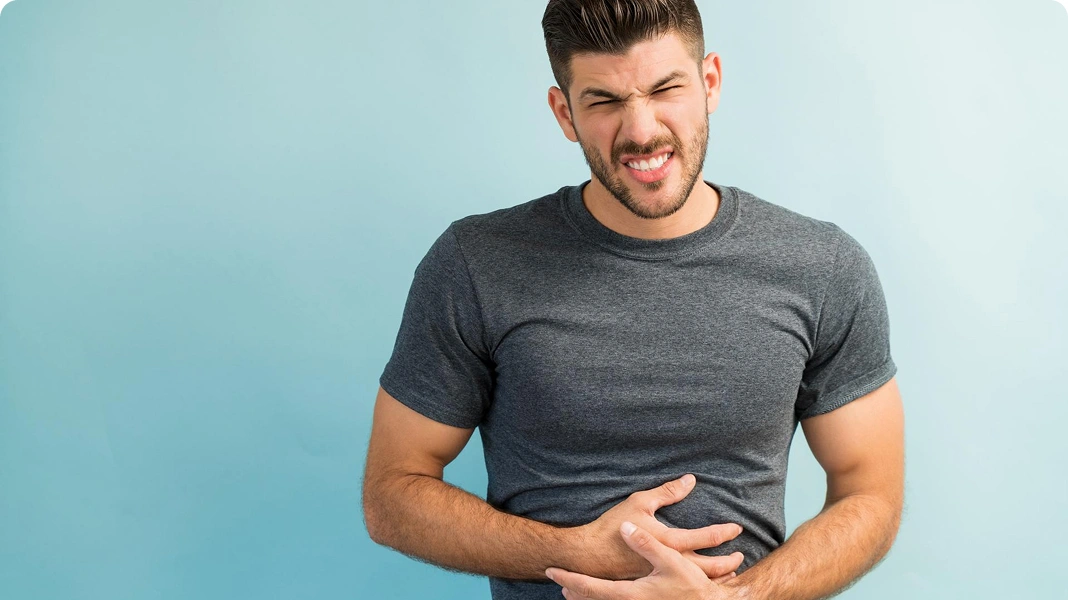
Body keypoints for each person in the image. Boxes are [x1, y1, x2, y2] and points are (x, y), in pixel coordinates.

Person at [362, 1, 905, 599]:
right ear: (564, 113)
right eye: (605, 101)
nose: (642, 130)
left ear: (710, 83)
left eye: (665, 88)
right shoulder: (476, 262)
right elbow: (392, 493)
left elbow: (869, 492)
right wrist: (573, 552)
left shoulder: (821, 267)